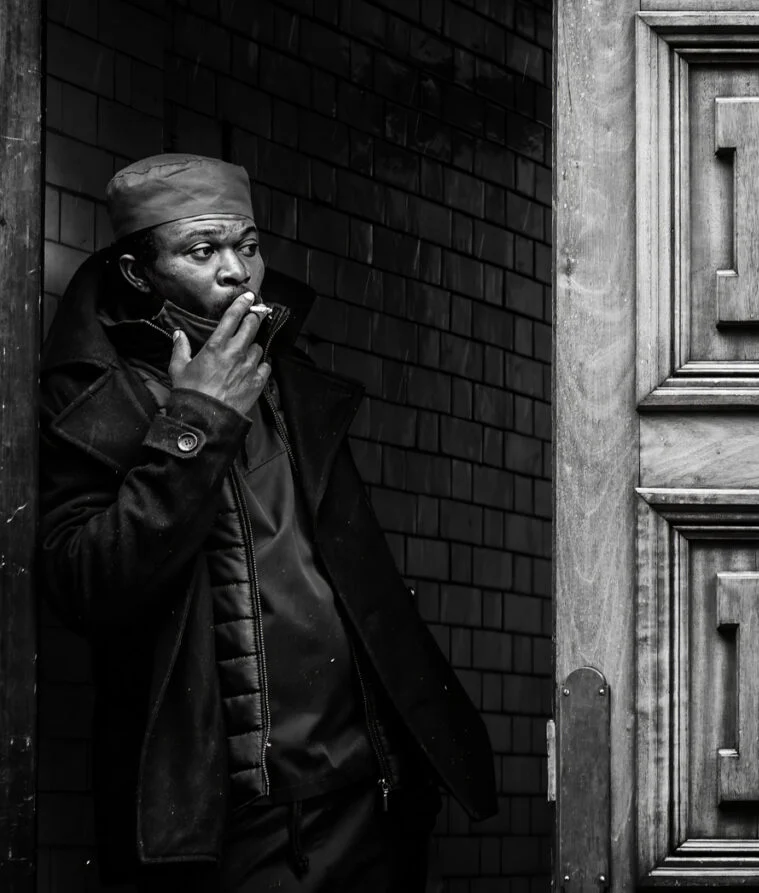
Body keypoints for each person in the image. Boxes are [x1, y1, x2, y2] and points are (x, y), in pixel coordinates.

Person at [38, 154, 497, 891]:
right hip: (237, 819)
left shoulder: (286, 370)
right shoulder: (99, 395)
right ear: (136, 271)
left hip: (365, 793)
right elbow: (88, 583)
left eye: (247, 246)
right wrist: (198, 419)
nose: (236, 272)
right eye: (202, 251)